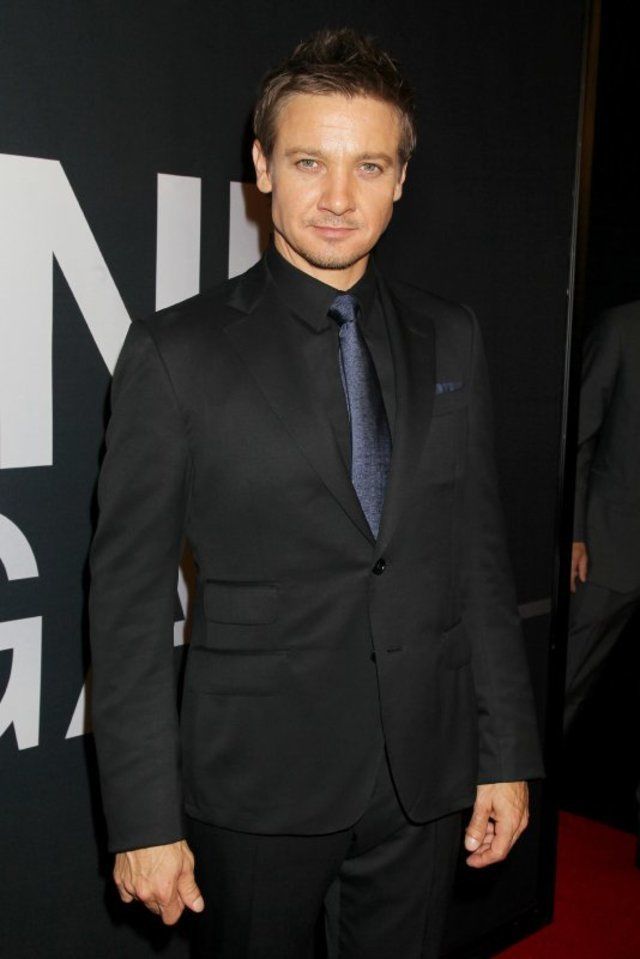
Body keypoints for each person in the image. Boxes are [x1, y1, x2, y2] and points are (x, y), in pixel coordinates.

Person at [89, 28, 544, 959]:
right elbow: (127, 605)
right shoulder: (176, 354)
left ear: (401, 179)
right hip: (256, 784)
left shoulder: (451, 334)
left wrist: (505, 753)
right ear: (262, 167)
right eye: (309, 161)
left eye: (369, 165)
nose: (339, 197)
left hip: (424, 776)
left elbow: (478, 562)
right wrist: (143, 818)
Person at [566, 301, 640, 730]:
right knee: (568, 682)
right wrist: (573, 533)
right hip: (608, 548)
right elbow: (577, 434)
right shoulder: (622, 327)